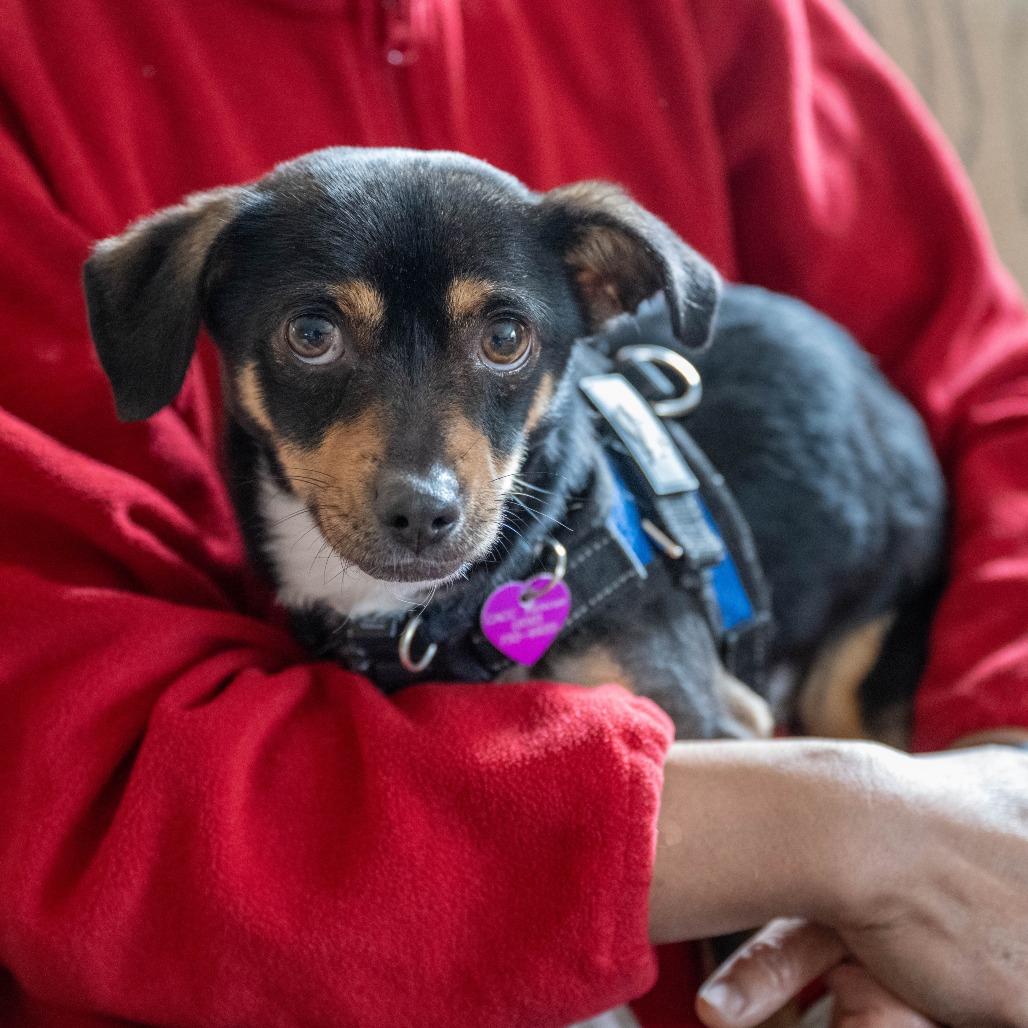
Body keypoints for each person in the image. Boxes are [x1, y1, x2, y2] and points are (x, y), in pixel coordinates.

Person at [0, 1, 1025, 1025]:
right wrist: (842, 831)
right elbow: (71, 789)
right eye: (315, 335)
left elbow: (990, 388)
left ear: (599, 292)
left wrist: (984, 798)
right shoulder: (35, 66)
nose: (422, 484)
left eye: (498, 343)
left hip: (871, 639)